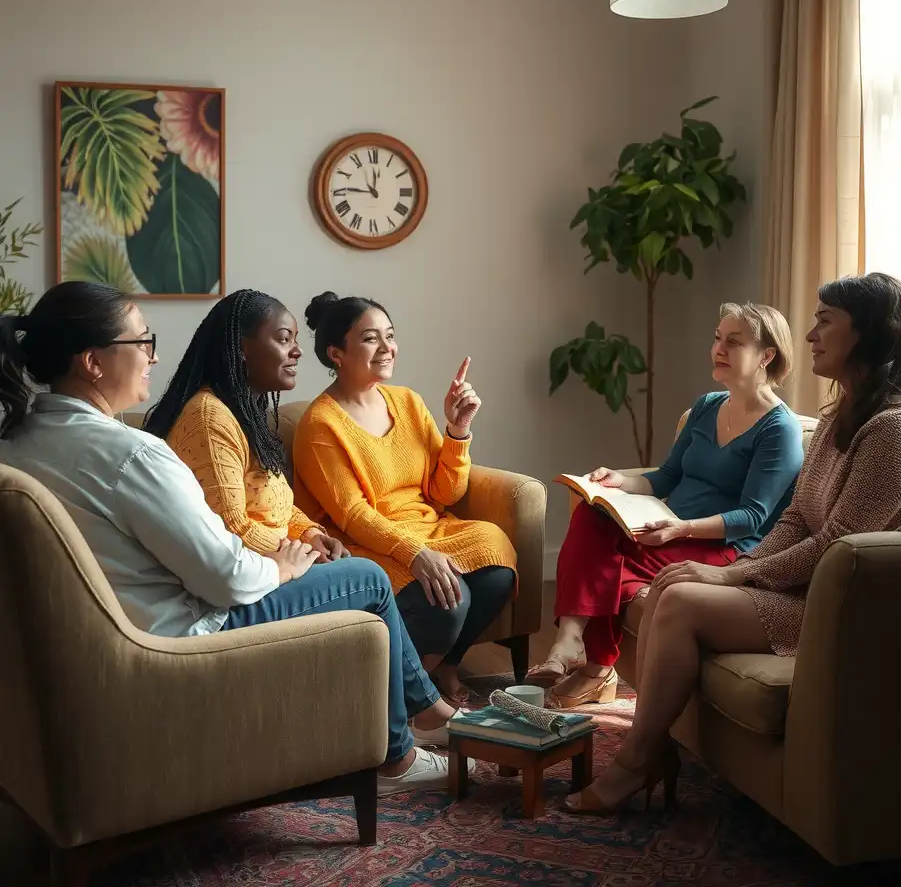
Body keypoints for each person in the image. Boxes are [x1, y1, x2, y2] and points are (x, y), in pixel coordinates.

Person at [0, 282, 463, 796]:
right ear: (92, 363)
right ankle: (398, 757)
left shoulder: (16, 442)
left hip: (101, 637)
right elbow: (226, 577)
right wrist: (284, 568)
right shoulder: (132, 455)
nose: (153, 356)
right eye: (141, 343)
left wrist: (303, 537)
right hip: (176, 637)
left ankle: (424, 714)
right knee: (369, 579)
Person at [565, 273, 901, 814]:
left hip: (855, 606)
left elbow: (840, 544)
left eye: (825, 321)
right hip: (814, 586)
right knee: (674, 586)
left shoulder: (898, 430)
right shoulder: (842, 414)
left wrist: (730, 572)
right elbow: (797, 518)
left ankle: (637, 760)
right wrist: (743, 565)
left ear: (868, 333)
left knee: (678, 598)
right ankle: (652, 748)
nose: (811, 335)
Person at [528, 303, 804, 708]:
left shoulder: (779, 429)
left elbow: (752, 518)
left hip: (723, 546)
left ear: (767, 356)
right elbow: (667, 476)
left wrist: (682, 528)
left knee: (609, 563)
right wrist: (619, 481)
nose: (718, 348)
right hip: (671, 525)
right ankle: (571, 641)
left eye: (734, 342)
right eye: (717, 338)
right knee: (591, 513)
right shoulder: (708, 405)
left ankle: (596, 666)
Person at [291, 292, 518, 706]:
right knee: (449, 602)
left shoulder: (408, 401)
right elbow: (354, 515)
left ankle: (446, 665)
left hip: (429, 527)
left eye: (390, 336)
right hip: (368, 545)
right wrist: (415, 553)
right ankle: (410, 699)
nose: (386, 348)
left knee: (497, 559)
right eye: (371, 339)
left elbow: (443, 492)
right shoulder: (320, 425)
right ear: (336, 354)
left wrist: (457, 431)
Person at [144, 289, 347, 562]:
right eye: (284, 339)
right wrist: (301, 551)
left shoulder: (243, 414)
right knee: (372, 578)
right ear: (241, 348)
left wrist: (310, 534)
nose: (297, 351)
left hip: (278, 565)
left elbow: (274, 507)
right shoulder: (209, 418)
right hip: (253, 579)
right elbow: (229, 528)